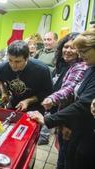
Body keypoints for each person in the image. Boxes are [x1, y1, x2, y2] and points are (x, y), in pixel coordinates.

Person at [28, 29, 95, 169]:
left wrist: (50, 116)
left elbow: (77, 97)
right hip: (70, 122)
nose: (80, 54)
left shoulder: (82, 67)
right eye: (66, 46)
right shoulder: (86, 67)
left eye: (82, 50)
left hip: (80, 128)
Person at [42, 33, 87, 167]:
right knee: (62, 155)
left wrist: (51, 98)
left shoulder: (80, 66)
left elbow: (69, 88)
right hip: (64, 118)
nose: (67, 50)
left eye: (72, 48)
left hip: (71, 121)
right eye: (66, 47)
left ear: (81, 50)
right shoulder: (68, 65)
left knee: (65, 160)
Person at [0, 40, 52, 113]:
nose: (13, 65)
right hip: (14, 104)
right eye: (10, 60)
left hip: (35, 107)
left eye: (17, 61)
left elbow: (47, 92)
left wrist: (28, 101)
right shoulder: (2, 68)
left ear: (27, 58)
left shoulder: (42, 70)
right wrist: (4, 92)